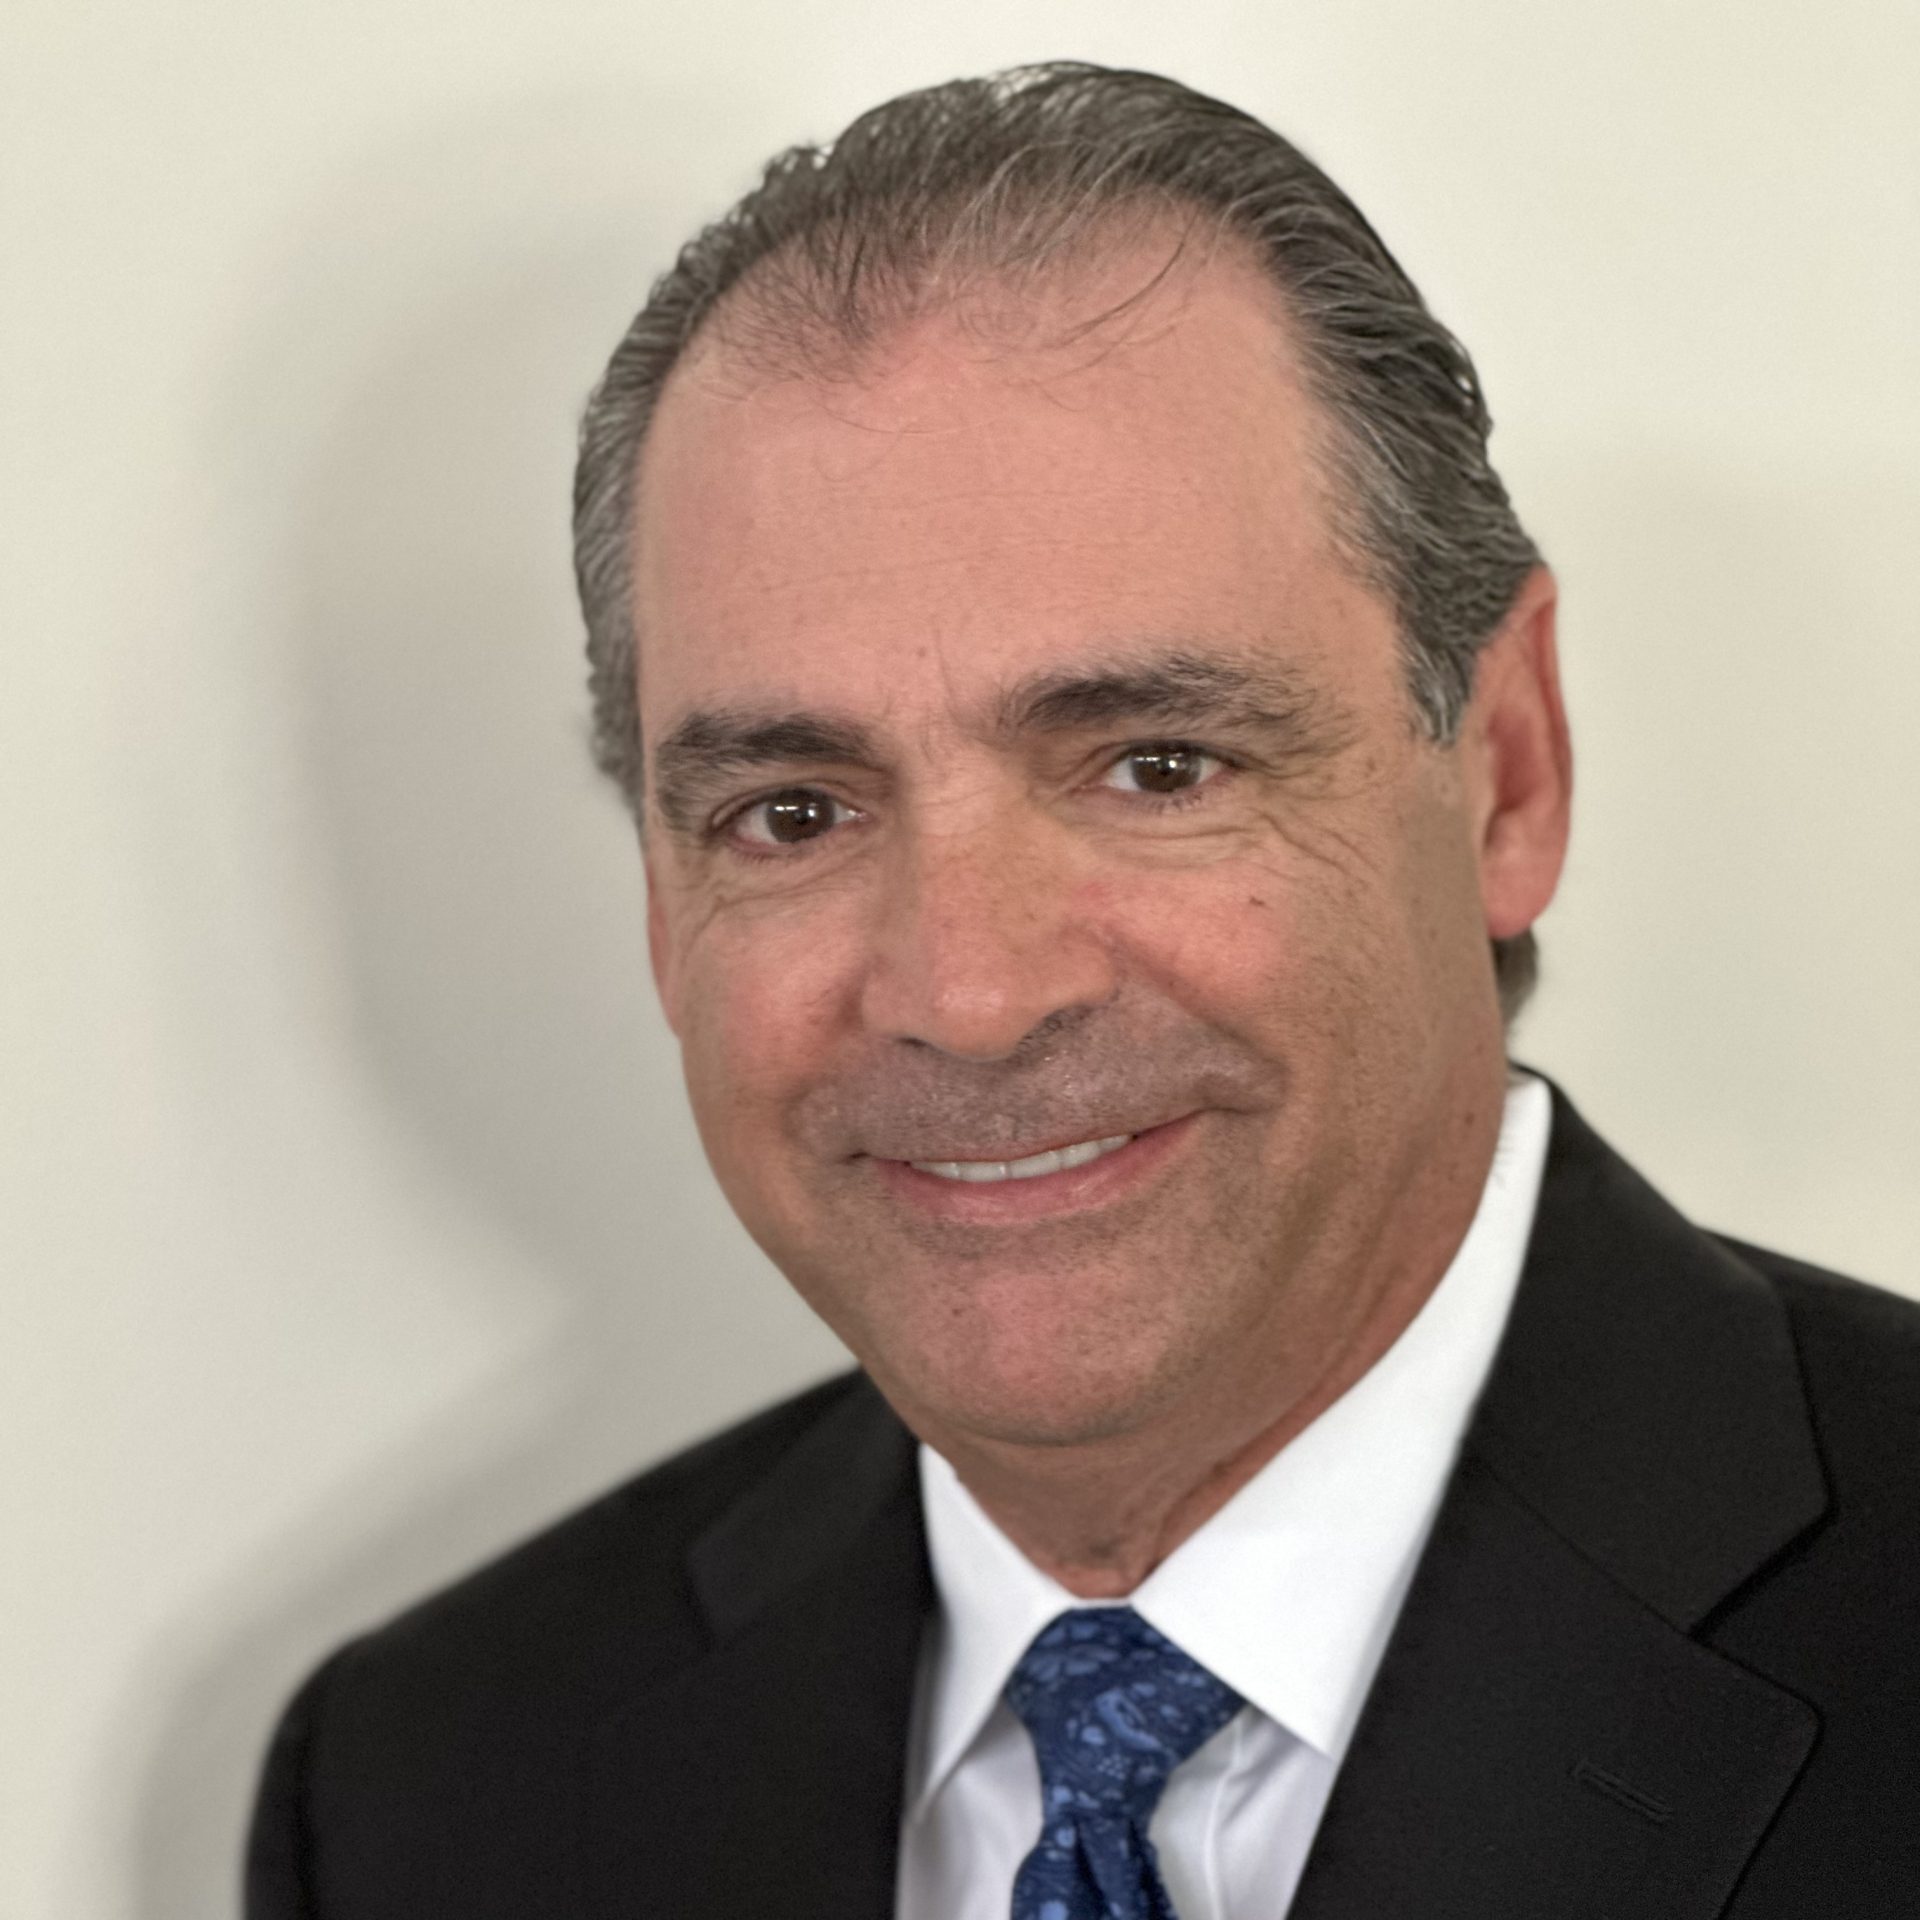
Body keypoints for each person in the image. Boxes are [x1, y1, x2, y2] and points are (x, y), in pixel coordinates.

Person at [246, 62, 1920, 1918]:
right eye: (793, 811)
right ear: (662, 896)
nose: (967, 992)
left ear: (1505, 773)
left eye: (1156, 767)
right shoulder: (425, 1793)